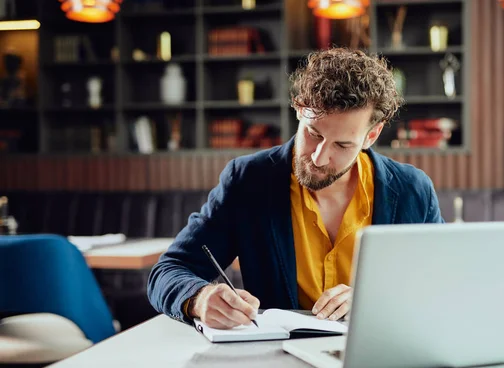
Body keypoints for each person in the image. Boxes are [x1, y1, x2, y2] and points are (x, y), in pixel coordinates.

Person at [147, 48, 444, 329]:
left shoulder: (412, 191)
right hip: (279, 363)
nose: (318, 157)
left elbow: (444, 284)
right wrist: (199, 299)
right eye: (313, 134)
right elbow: (168, 270)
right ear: (300, 110)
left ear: (372, 135)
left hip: (381, 358)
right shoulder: (247, 181)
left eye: (342, 145)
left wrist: (374, 301)